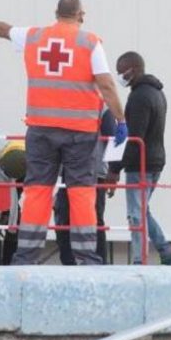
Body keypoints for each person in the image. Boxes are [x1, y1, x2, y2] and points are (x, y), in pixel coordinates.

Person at [0, 0, 127, 265]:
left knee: (37, 190)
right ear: (81, 15)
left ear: (56, 13)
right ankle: (87, 257)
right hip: (79, 132)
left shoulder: (35, 36)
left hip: (41, 129)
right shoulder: (89, 42)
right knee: (81, 191)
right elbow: (106, 84)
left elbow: (3, 29)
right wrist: (120, 119)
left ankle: (25, 256)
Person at [107, 51, 171, 265]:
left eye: (122, 71)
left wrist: (114, 169)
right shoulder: (157, 93)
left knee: (135, 215)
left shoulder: (140, 96)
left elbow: (133, 137)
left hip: (140, 163)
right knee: (142, 210)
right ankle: (166, 253)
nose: (120, 76)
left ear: (134, 69)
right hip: (155, 160)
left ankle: (140, 261)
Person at [55, 109, 115, 265]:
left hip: (92, 173)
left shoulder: (103, 109)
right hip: (71, 172)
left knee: (93, 219)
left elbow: (113, 139)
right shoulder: (69, 106)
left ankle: (98, 263)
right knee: (64, 218)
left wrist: (114, 172)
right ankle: (70, 263)